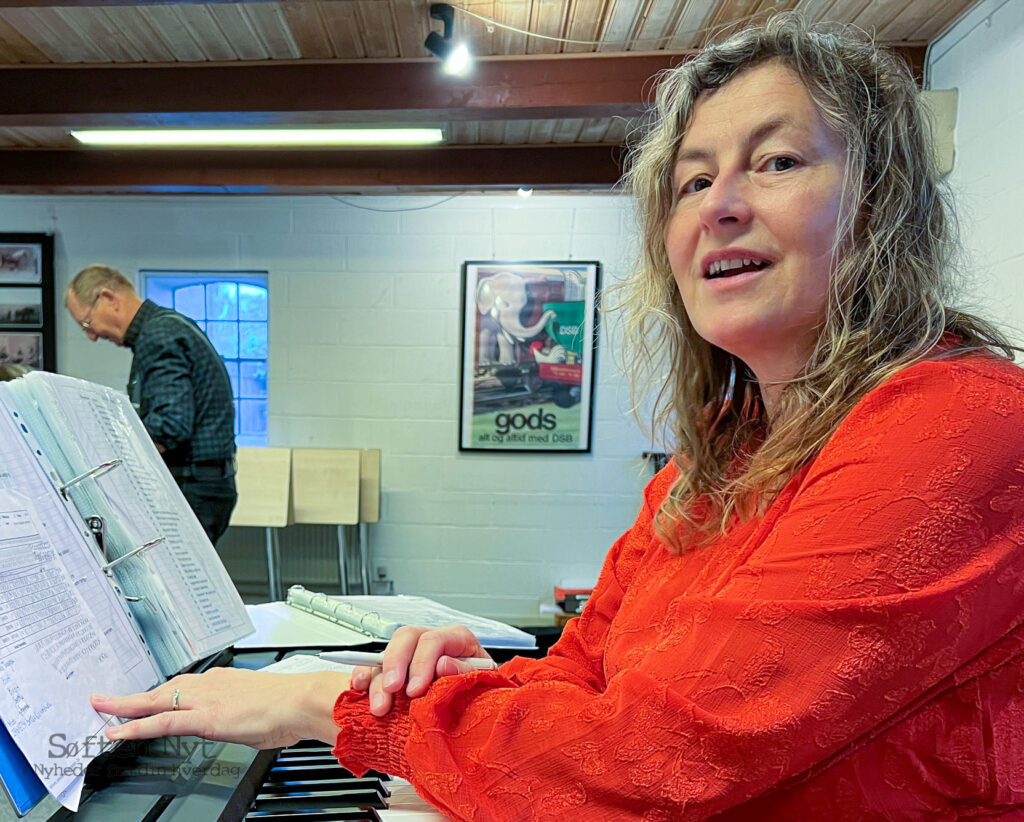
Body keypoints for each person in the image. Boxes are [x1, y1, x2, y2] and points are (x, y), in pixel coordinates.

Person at [91, 15, 1024, 819]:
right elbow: (586, 672)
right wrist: (475, 691)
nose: (722, 207)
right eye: (692, 182)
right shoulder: (718, 460)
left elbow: (659, 758)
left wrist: (322, 704)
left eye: (777, 162)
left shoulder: (958, 423)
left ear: (881, 204)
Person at [66, 265, 238, 546]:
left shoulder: (158, 335)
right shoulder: (169, 325)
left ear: (108, 298)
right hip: (207, 483)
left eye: (87, 323)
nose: (92, 336)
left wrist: (109, 453)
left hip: (191, 487)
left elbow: (169, 426)